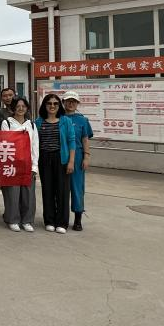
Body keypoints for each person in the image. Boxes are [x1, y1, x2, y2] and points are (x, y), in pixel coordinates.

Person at [36, 94, 76, 234]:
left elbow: (71, 141)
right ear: (44, 105)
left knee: (62, 191)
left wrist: (71, 161)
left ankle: (62, 222)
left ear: (59, 106)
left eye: (55, 103)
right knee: (47, 190)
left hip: (61, 158)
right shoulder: (38, 122)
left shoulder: (66, 121)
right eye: (49, 103)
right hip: (44, 159)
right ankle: (49, 220)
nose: (52, 106)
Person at [0, 97, 39, 232]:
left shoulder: (32, 125)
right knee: (12, 194)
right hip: (12, 164)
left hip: (28, 164)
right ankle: (13, 219)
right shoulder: (7, 123)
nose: (21, 109)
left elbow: (35, 146)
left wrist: (34, 166)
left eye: (23, 106)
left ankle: (27, 220)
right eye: (18, 106)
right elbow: (5, 142)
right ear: (13, 108)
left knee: (28, 194)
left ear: (27, 108)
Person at [62, 91, 93, 232]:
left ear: (77, 103)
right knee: (61, 188)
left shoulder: (82, 120)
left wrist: (86, 157)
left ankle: (78, 219)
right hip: (61, 156)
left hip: (78, 157)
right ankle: (61, 218)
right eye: (68, 100)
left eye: (74, 101)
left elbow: (85, 139)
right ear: (63, 102)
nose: (71, 103)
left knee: (77, 188)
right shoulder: (58, 117)